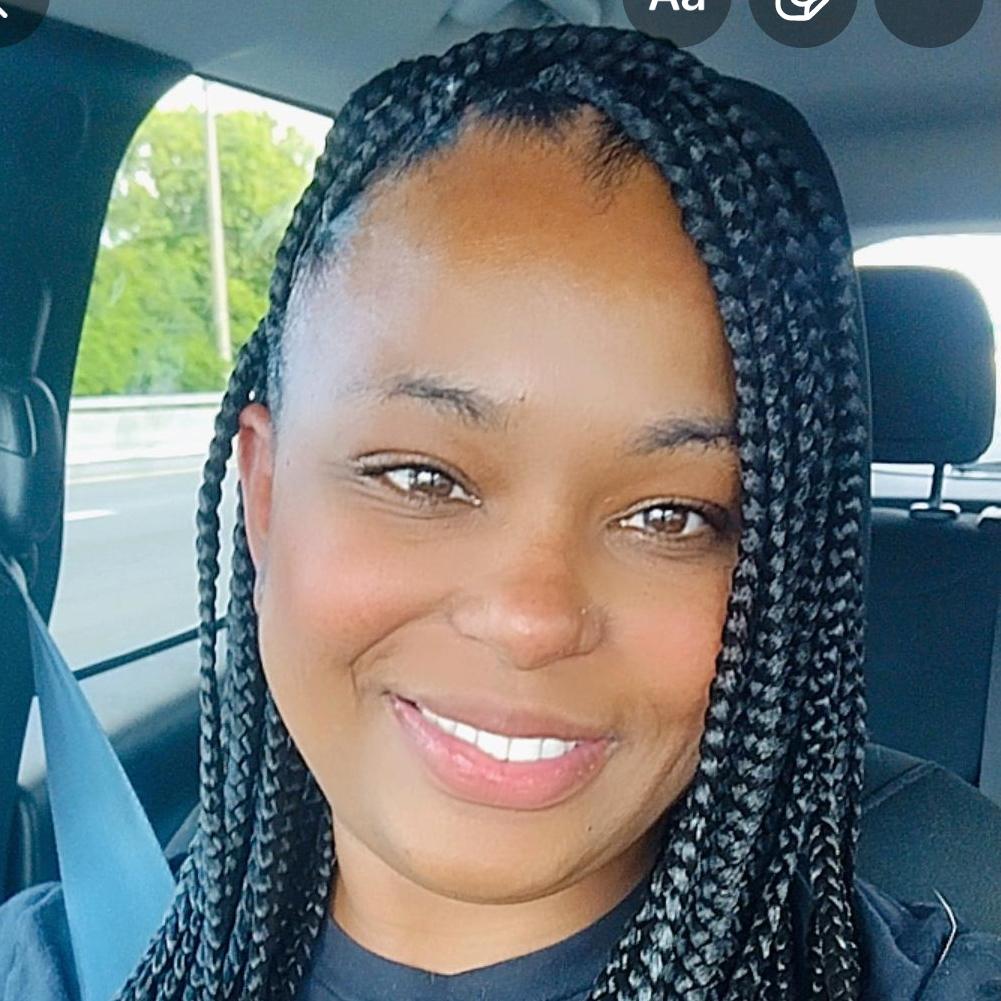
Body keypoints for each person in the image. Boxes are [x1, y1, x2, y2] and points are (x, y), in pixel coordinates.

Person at [2, 20, 1001, 1001]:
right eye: (420, 478)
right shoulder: (59, 961)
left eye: (670, 516)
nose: (530, 619)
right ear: (262, 498)